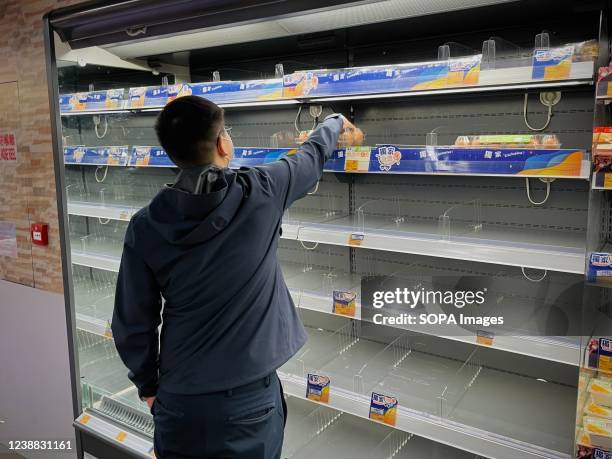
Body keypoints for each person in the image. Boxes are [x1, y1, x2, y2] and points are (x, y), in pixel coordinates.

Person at [111, 95, 352, 458]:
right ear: (223, 144)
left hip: (180, 401)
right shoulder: (262, 191)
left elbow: (132, 323)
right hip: (248, 402)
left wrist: (148, 385)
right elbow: (310, 156)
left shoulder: (145, 226)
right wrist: (334, 121)